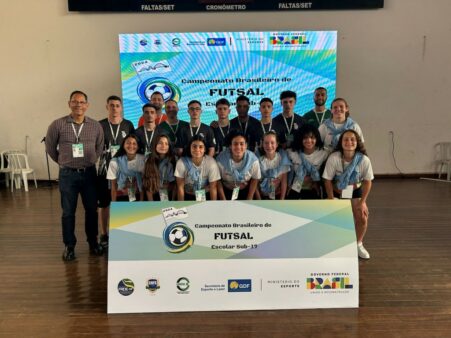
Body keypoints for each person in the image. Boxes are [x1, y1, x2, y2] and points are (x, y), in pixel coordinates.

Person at [45, 90, 104, 261]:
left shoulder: (95, 125)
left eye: (82, 102)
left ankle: (93, 243)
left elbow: (99, 148)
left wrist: (90, 160)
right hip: (67, 175)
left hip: (89, 175)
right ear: (69, 103)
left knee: (91, 211)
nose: (78, 104)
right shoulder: (58, 124)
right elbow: (50, 148)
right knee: (68, 212)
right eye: (75, 101)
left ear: (87, 105)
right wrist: (64, 162)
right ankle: (69, 246)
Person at [322, 129, 374, 259]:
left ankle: (358, 244)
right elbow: (327, 180)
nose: (349, 142)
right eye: (345, 139)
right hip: (336, 192)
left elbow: (368, 182)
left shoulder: (364, 160)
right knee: (334, 218)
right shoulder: (334, 158)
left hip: (355, 191)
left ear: (357, 142)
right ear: (341, 142)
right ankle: (335, 245)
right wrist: (330, 199)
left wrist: (362, 203)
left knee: (362, 217)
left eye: (352, 139)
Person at [97, 95, 135, 249]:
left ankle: (123, 232)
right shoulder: (99, 125)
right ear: (107, 107)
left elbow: (133, 146)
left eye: (117, 105)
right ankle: (104, 234)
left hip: (123, 172)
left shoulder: (128, 124)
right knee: (104, 203)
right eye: (111, 105)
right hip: (104, 170)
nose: (114, 108)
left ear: (121, 107)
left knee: (123, 202)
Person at [217, 130, 261, 200]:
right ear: (230, 146)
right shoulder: (220, 160)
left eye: (241, 144)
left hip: (246, 191)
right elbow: (218, 181)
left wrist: (249, 198)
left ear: (246, 145)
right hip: (226, 191)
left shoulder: (253, 160)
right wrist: (223, 200)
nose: (238, 147)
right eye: (235, 144)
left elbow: (254, 179)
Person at [287, 124, 328, 199]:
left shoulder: (323, 154)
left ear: (317, 138)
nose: (309, 140)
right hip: (296, 186)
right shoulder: (292, 153)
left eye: (312, 137)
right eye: (305, 138)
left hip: (313, 187)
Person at [174, 135, 221, 201]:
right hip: (187, 195)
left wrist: (213, 206)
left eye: (201, 147)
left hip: (205, 195)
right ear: (189, 148)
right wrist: (181, 206)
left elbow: (213, 187)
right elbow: (180, 187)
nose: (197, 149)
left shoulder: (211, 162)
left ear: (205, 149)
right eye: (194, 146)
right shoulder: (181, 162)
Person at [107, 134, 145, 202]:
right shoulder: (114, 162)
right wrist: (114, 204)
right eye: (128, 143)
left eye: (134, 143)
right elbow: (113, 186)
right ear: (123, 145)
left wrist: (141, 201)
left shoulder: (143, 160)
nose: (131, 146)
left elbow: (145, 182)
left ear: (138, 146)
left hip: (139, 196)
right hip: (121, 196)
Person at [258, 131, 291, 200]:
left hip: (278, 195)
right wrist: (259, 199)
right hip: (263, 196)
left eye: (272, 143)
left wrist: (281, 200)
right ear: (262, 144)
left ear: (277, 144)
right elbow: (256, 183)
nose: (269, 146)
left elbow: (284, 182)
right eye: (266, 143)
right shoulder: (259, 161)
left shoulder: (282, 159)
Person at [142, 134, 176, 201]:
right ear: (155, 145)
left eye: (166, 144)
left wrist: (172, 201)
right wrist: (151, 203)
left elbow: (176, 185)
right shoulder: (148, 159)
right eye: (160, 143)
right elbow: (147, 184)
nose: (163, 146)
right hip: (153, 194)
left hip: (168, 194)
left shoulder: (173, 160)